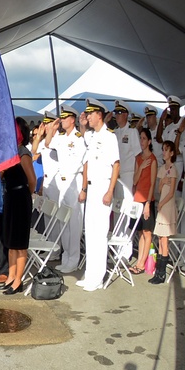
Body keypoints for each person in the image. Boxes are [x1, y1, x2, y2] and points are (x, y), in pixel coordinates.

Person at [77, 99, 120, 291]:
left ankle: (98, 277)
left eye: (90, 114)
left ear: (99, 115)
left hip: (103, 188)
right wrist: (85, 188)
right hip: (92, 189)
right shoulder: (92, 136)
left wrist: (110, 191)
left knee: (100, 234)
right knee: (91, 233)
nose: (88, 117)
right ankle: (90, 274)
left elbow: (116, 165)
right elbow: (85, 150)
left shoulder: (110, 137)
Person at [0, 118, 36, 294]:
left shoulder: (23, 153)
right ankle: (11, 276)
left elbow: (32, 180)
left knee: (20, 244)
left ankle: (18, 280)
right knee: (11, 242)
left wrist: (26, 195)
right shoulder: (10, 153)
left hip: (20, 198)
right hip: (10, 197)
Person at [47, 102, 86, 272]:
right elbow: (48, 143)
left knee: (74, 223)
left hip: (74, 181)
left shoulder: (79, 138)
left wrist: (84, 188)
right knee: (64, 221)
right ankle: (66, 257)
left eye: (64, 118)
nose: (61, 120)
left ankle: (74, 259)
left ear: (72, 120)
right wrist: (52, 129)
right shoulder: (61, 138)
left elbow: (86, 164)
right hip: (62, 182)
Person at [129, 128, 157, 275]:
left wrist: (148, 204)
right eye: (140, 138)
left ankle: (141, 263)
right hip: (137, 199)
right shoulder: (138, 158)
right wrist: (140, 168)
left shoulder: (153, 159)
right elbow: (134, 180)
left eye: (144, 139)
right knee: (140, 232)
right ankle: (140, 260)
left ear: (149, 141)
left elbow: (152, 184)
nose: (141, 141)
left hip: (146, 200)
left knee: (147, 232)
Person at [149, 140, 179, 285]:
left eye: (166, 150)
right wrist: (162, 181)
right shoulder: (163, 169)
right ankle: (158, 271)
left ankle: (162, 273)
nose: (164, 152)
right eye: (163, 149)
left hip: (167, 206)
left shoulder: (173, 169)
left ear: (171, 153)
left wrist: (161, 203)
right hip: (162, 204)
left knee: (164, 240)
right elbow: (159, 188)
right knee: (161, 238)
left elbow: (171, 192)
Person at [113, 101, 139, 201]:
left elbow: (138, 156)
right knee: (117, 206)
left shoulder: (132, 131)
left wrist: (136, 179)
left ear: (125, 114)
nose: (116, 116)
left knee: (127, 205)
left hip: (128, 175)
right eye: (116, 113)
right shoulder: (115, 131)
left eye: (119, 113)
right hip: (117, 174)